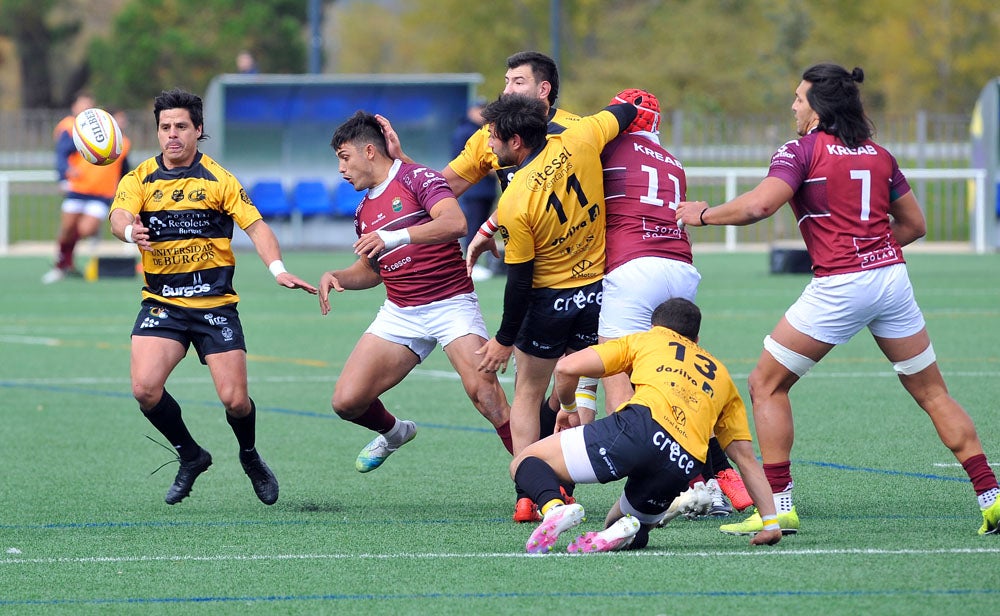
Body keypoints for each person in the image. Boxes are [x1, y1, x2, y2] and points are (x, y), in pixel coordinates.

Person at [676, 63, 1000, 536]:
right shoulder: (880, 155)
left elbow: (759, 205)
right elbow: (914, 226)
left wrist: (702, 214)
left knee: (767, 384)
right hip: (891, 279)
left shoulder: (801, 150)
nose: (792, 105)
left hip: (842, 284)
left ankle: (778, 505)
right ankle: (991, 497)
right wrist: (872, 247)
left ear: (818, 107)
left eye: (799, 98)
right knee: (933, 393)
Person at [378, 50, 590, 522]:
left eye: (517, 81)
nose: (507, 88)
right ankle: (539, 490)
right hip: (534, 276)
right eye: (505, 80)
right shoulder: (487, 137)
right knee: (540, 390)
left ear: (544, 90)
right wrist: (403, 164)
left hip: (593, 274)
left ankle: (674, 481)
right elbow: (440, 187)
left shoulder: (579, 130)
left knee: (577, 388)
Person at [108, 88, 318, 505]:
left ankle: (249, 455)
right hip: (163, 302)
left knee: (235, 401)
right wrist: (130, 231)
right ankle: (191, 455)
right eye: (165, 127)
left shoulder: (219, 179)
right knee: (145, 389)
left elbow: (256, 227)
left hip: (215, 305)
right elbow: (119, 217)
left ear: (198, 130)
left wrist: (277, 269)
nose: (172, 135)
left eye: (181, 127)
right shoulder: (139, 178)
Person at [558, 87, 752, 516]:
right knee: (680, 380)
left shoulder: (608, 145)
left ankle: (649, 494)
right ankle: (714, 482)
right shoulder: (672, 162)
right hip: (680, 268)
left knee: (621, 386)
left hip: (633, 267)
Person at [318, 111, 513, 474]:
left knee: (487, 396)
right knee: (347, 401)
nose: (341, 169)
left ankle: (541, 481)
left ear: (370, 151)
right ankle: (395, 433)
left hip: (451, 304)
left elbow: (455, 223)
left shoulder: (418, 177)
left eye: (345, 158)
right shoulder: (363, 210)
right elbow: (372, 272)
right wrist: (338, 276)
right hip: (402, 311)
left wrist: (395, 236)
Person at [472, 92, 640, 513]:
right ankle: (637, 486)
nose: (488, 144)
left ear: (516, 143)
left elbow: (520, 280)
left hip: (550, 302)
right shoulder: (582, 136)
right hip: (597, 295)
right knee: (593, 385)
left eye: (493, 136)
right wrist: (633, 105)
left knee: (528, 394)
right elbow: (625, 110)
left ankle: (529, 495)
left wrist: (504, 339)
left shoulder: (515, 200)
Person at [510, 298, 784, 553]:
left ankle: (554, 507)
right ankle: (618, 532)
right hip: (684, 463)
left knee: (526, 460)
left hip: (640, 429)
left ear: (655, 326)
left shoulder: (647, 340)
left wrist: (568, 410)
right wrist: (771, 522)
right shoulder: (721, 375)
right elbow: (746, 459)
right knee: (625, 522)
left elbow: (566, 367)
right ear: (697, 339)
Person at [44, 92, 132, 284]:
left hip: (101, 194)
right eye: (120, 118)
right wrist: (64, 174)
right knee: (67, 228)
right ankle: (62, 265)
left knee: (85, 229)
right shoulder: (82, 132)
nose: (124, 121)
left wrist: (126, 190)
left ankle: (66, 260)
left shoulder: (123, 144)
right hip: (78, 188)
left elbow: (125, 170)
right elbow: (61, 154)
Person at [450, 98, 499, 281]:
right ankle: (471, 262)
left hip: (485, 190)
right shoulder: (464, 132)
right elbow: (465, 162)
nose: (482, 113)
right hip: (473, 189)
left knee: (484, 226)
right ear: (471, 111)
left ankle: (478, 261)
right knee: (473, 225)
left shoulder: (484, 131)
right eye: (479, 109)